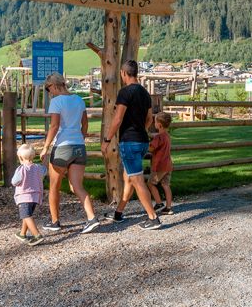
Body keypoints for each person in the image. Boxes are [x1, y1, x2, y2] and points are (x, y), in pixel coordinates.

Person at [102, 60, 161, 229]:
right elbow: (150, 118)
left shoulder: (125, 92)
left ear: (123, 73)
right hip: (142, 141)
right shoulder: (144, 93)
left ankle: (153, 217)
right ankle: (118, 213)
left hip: (129, 142)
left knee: (136, 180)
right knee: (128, 178)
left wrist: (107, 140)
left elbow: (118, 119)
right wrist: (140, 128)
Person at [39, 73, 100, 234]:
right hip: (79, 147)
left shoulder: (56, 102)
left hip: (62, 147)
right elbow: (85, 123)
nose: (48, 91)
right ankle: (92, 218)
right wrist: (82, 136)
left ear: (54, 85)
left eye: (48, 88)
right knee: (77, 186)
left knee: (54, 186)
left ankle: (55, 221)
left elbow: (54, 126)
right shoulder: (79, 99)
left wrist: (45, 147)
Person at [11, 144, 45, 246]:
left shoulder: (21, 169)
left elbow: (14, 182)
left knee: (26, 215)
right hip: (35, 197)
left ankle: (37, 235)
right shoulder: (38, 168)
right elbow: (45, 171)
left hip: (24, 196)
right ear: (33, 156)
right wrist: (44, 161)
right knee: (27, 215)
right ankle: (22, 233)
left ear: (20, 157)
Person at [147, 111, 174, 214]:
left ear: (159, 125)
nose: (154, 123)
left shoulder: (158, 137)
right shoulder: (167, 136)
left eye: (155, 121)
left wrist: (146, 144)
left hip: (159, 166)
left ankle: (159, 203)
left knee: (150, 183)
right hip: (168, 165)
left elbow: (151, 149)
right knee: (166, 185)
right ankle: (168, 207)